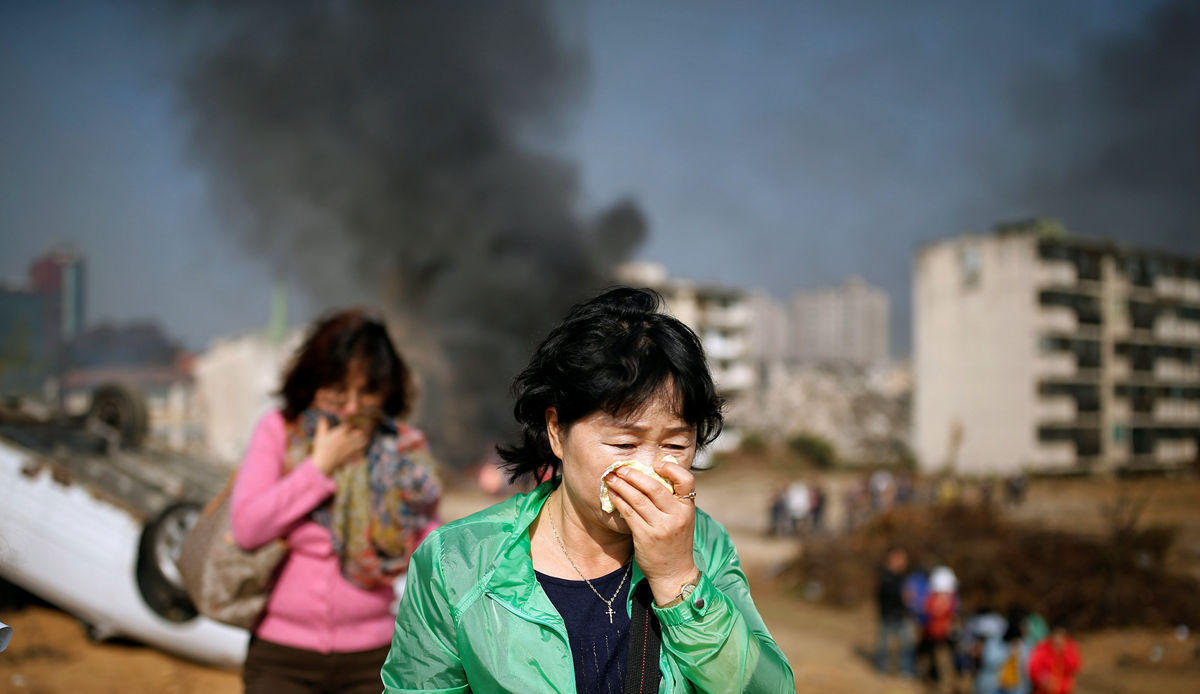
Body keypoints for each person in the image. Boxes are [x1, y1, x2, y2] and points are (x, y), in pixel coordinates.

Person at [382, 288, 795, 693]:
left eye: (674, 445)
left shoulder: (704, 543)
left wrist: (678, 580)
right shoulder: (457, 563)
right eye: (624, 444)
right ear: (556, 431)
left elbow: (771, 689)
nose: (648, 470)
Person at [231, 310, 441, 694]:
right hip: (281, 657)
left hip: (374, 656)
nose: (351, 408)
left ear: (388, 391)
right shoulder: (279, 431)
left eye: (366, 393)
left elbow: (428, 544)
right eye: (338, 392)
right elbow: (247, 528)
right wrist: (319, 468)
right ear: (312, 382)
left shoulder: (404, 449)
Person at [875, 547, 915, 677]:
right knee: (884, 643)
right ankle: (881, 668)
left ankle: (906, 670)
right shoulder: (885, 575)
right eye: (901, 559)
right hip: (888, 614)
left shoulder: (903, 577)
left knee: (906, 644)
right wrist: (902, 596)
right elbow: (884, 594)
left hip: (901, 614)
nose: (904, 562)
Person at [1027, 624, 1080, 694]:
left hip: (1063, 689)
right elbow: (1034, 668)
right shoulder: (1042, 648)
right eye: (1056, 636)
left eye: (1061, 637)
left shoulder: (1070, 647)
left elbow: (1074, 666)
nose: (1058, 640)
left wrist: (1064, 653)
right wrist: (1042, 679)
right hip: (1044, 690)